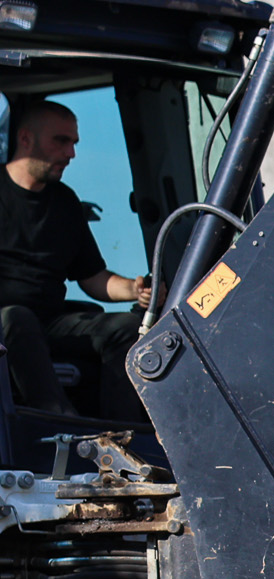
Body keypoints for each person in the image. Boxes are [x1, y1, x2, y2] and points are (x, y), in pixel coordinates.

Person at [0, 99, 151, 417]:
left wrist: (135, 290)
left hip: (51, 322)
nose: (71, 154)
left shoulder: (64, 201)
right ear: (25, 138)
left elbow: (94, 278)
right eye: (61, 141)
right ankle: (58, 420)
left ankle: (122, 435)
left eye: (73, 143)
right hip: (7, 321)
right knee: (16, 318)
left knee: (126, 326)